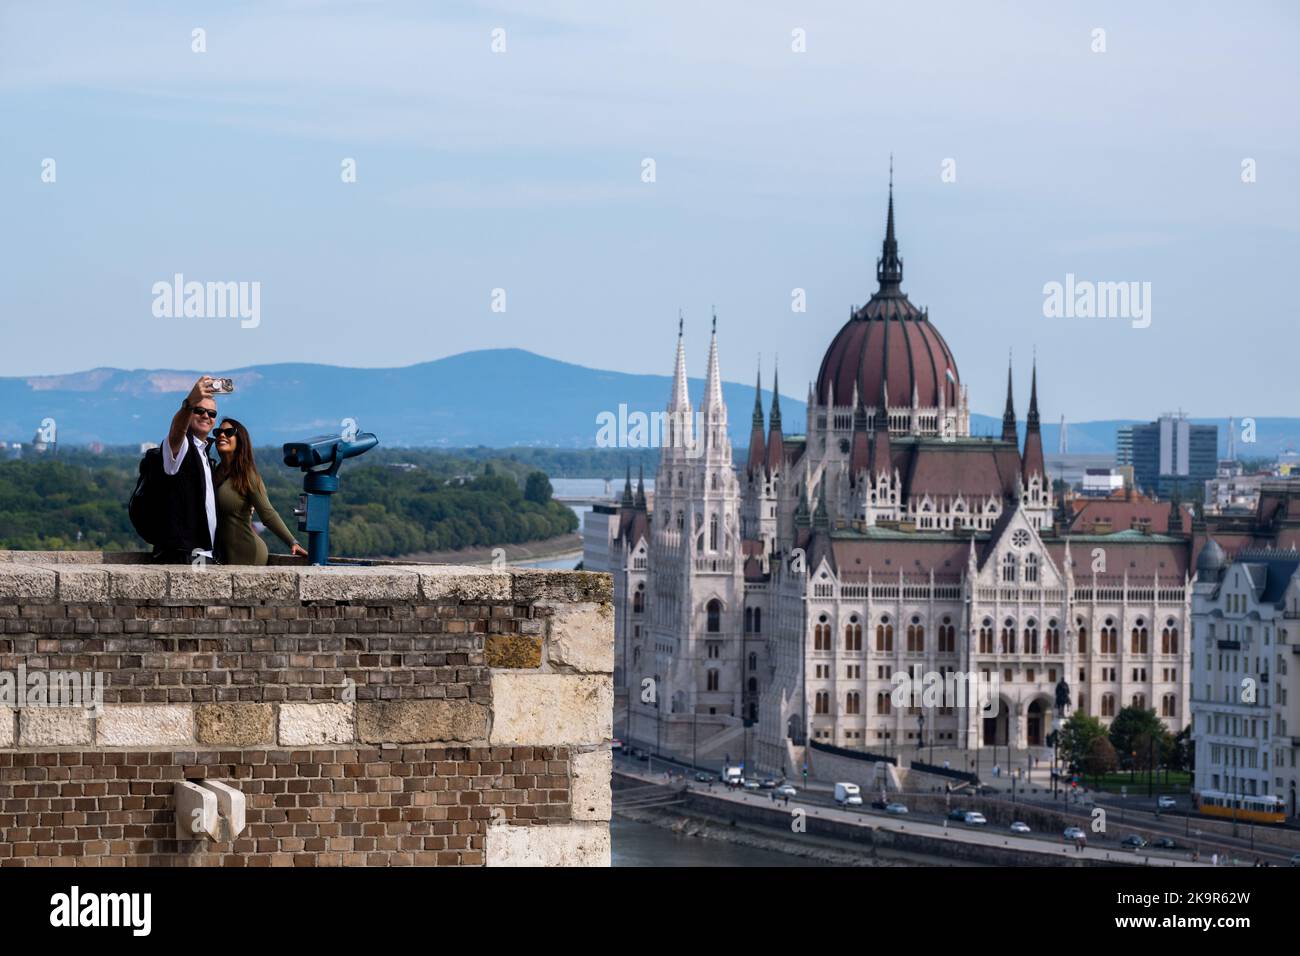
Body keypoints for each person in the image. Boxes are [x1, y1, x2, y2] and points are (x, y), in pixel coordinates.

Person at [212, 417, 307, 564]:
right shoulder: (214, 472)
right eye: (218, 432)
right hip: (222, 555)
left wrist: (292, 541)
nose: (222, 435)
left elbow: (267, 513)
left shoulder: (247, 476)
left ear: (240, 440)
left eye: (229, 432)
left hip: (248, 553)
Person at [154, 377, 220, 564]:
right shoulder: (181, 447)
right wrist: (189, 403)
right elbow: (176, 432)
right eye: (199, 411)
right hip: (182, 553)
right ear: (190, 413)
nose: (206, 416)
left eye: (212, 413)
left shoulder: (205, 453)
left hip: (203, 553)